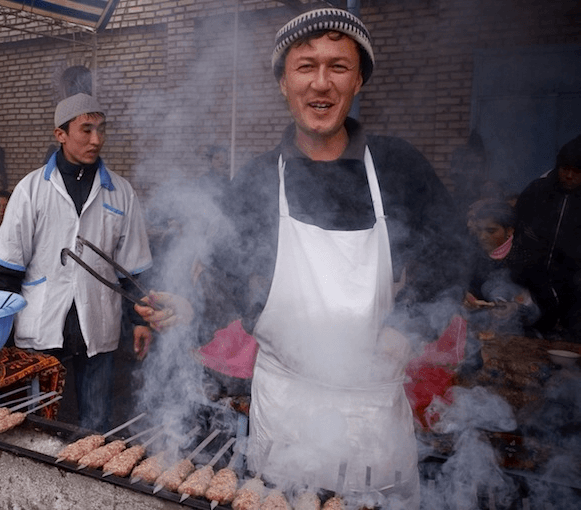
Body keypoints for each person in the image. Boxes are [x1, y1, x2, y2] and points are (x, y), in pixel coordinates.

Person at [137, 5, 467, 507]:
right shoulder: (257, 179)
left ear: (358, 81)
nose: (321, 83)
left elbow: (452, 257)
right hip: (285, 410)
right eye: (305, 66)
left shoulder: (400, 168)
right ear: (284, 83)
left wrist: (407, 328)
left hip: (372, 414)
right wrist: (190, 310)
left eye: (338, 66)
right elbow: (225, 277)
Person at [0, 93, 154, 432]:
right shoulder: (31, 190)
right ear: (60, 134)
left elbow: (135, 268)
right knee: (39, 424)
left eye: (101, 130)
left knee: (97, 425)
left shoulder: (120, 192)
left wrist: (142, 321)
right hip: (43, 326)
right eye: (86, 130)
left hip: (98, 323)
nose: (96, 140)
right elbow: (4, 272)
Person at [509, 134, 581, 341]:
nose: (568, 176)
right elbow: (515, 229)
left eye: (576, 172)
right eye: (564, 169)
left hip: (572, 290)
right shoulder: (538, 191)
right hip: (532, 285)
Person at [464, 199, 538, 335]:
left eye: (491, 231)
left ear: (509, 231)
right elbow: (471, 290)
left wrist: (517, 309)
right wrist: (468, 298)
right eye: (479, 230)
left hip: (520, 337)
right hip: (484, 332)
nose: (483, 236)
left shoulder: (527, 259)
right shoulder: (475, 256)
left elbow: (546, 309)